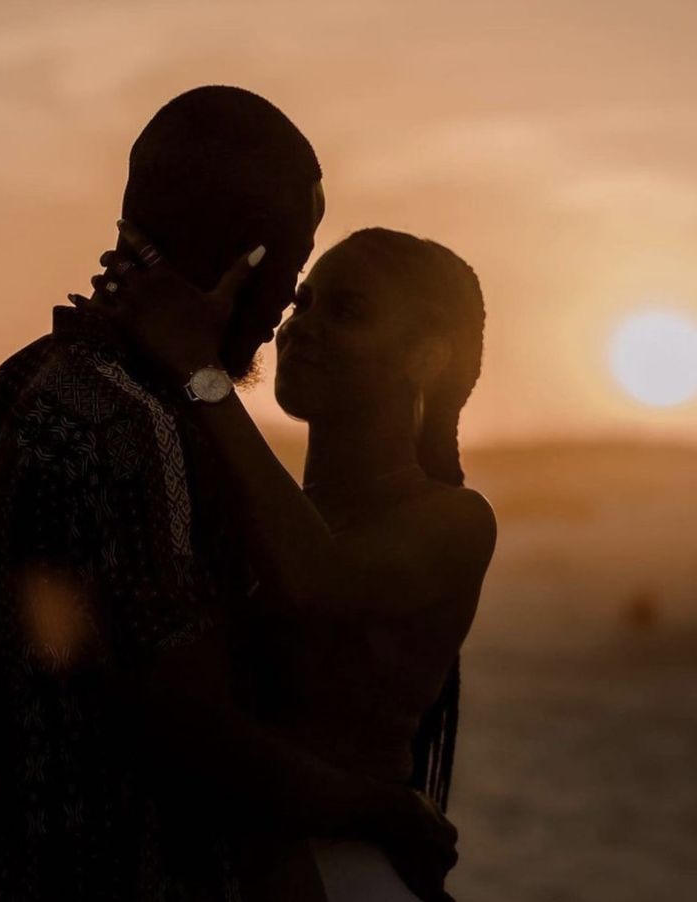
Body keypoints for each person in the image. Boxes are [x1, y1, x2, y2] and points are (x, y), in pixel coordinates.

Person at [0, 87, 456, 902]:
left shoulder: (17, 382)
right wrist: (385, 811)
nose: (283, 319)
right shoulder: (137, 430)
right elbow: (198, 736)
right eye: (291, 276)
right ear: (246, 263)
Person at [80, 220, 497, 901]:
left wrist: (200, 371)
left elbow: (312, 580)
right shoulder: (275, 508)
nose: (301, 327)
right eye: (301, 303)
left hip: (340, 873)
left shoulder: (453, 520)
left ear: (425, 358)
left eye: (347, 310)